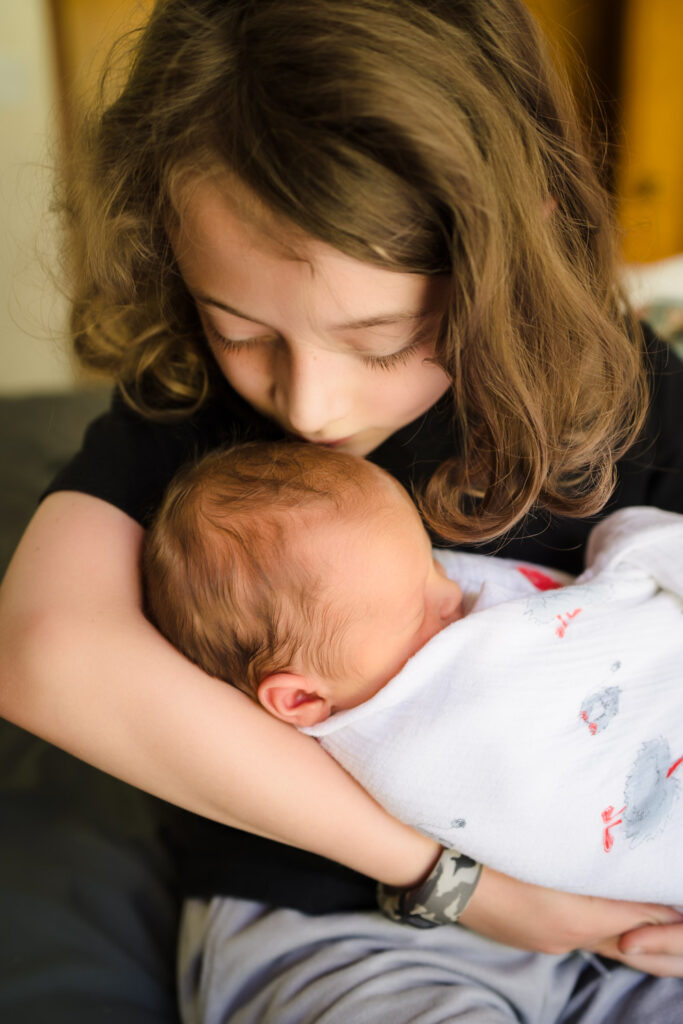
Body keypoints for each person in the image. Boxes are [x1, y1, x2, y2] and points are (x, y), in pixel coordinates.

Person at [1, 0, 683, 1020]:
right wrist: (467, 887)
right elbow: (43, 653)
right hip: (343, 915)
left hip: (629, 900)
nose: (307, 405)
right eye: (240, 328)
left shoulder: (615, 388)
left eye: (378, 336)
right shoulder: (192, 406)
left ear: (510, 247)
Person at [143, 440, 683, 908]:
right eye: (415, 609)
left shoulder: (374, 602)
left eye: (432, 563)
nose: (453, 593)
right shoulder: (414, 746)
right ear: (301, 698)